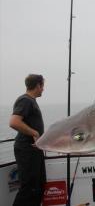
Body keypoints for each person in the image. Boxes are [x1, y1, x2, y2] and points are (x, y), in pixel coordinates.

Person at [9, 74, 46, 206]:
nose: (43, 89)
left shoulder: (31, 101)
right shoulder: (25, 100)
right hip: (27, 150)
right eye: (42, 86)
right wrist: (34, 133)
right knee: (29, 188)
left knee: (38, 186)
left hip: (34, 151)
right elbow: (14, 122)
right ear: (37, 85)